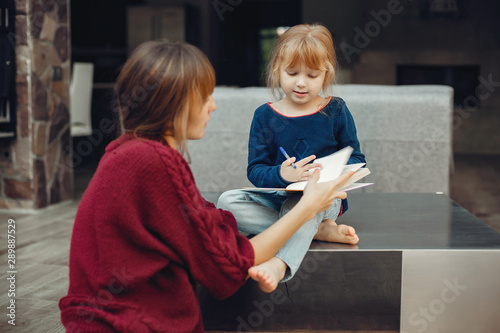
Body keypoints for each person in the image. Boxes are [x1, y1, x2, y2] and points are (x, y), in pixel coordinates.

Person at [58, 40, 353, 332]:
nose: (213, 106)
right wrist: (307, 209)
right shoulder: (153, 161)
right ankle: (312, 226)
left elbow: (191, 218)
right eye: (205, 96)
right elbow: (225, 268)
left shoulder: (129, 151)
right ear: (175, 103)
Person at [217, 24, 366, 292]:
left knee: (300, 206)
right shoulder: (264, 115)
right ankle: (317, 230)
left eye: (311, 75)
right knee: (226, 202)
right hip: (279, 196)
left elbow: (356, 158)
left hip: (322, 199)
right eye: (292, 72)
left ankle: (279, 263)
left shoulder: (336, 110)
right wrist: (283, 175)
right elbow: (256, 170)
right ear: (277, 70)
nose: (301, 82)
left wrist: (329, 172)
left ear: (326, 74)